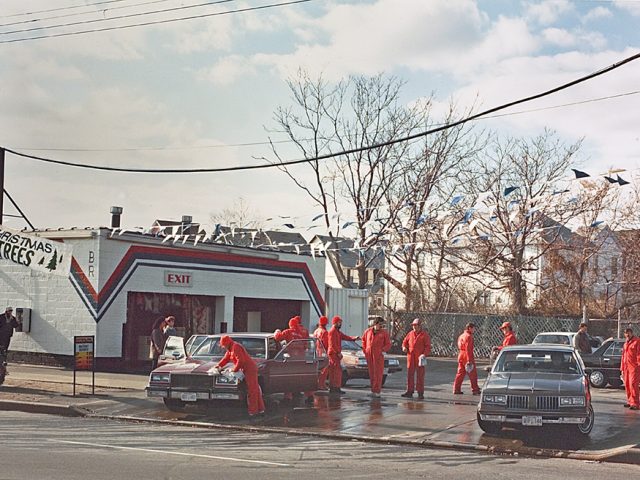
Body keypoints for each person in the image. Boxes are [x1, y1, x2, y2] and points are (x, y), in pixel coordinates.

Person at [215, 335, 265, 417]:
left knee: (252, 390)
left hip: (249, 369)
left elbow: (241, 360)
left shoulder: (235, 347)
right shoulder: (231, 348)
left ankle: (253, 411)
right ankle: (260, 409)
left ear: (227, 343)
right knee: (254, 389)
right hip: (245, 369)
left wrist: (234, 369)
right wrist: (218, 365)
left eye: (223, 345)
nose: (223, 347)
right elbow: (226, 359)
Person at [275, 316, 314, 404]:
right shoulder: (301, 333)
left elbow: (277, 337)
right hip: (301, 359)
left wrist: (277, 331)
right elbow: (306, 345)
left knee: (289, 378)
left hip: (291, 359)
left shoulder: (288, 332)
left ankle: (288, 397)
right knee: (304, 378)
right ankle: (310, 395)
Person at [327, 316, 359, 395]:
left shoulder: (337, 332)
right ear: (335, 323)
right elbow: (332, 344)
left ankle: (336, 387)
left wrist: (354, 338)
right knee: (334, 372)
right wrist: (338, 352)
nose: (340, 324)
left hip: (336, 354)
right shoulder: (332, 332)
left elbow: (345, 337)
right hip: (333, 354)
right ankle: (334, 388)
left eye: (341, 322)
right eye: (339, 322)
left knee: (337, 371)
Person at [401, 318, 432, 400]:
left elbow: (428, 346)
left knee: (420, 375)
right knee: (410, 374)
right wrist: (404, 347)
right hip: (410, 356)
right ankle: (409, 391)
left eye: (415, 325)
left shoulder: (424, 335)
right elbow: (404, 342)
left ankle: (420, 392)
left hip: (420, 357)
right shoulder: (410, 334)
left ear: (419, 326)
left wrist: (424, 354)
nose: (414, 327)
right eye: (413, 325)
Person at [361, 317, 391, 398]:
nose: (381, 326)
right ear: (375, 323)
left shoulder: (384, 333)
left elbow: (388, 344)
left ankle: (377, 391)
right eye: (380, 324)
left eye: (382, 325)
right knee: (371, 373)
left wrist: (382, 350)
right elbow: (363, 340)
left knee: (378, 373)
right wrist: (365, 350)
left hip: (378, 355)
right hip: (369, 354)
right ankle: (373, 390)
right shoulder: (368, 331)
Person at [453, 322, 481, 395]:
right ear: (470, 328)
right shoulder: (469, 336)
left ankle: (456, 389)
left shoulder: (461, 336)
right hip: (466, 355)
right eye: (473, 328)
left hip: (461, 354)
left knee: (460, 373)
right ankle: (475, 389)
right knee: (473, 373)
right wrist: (469, 360)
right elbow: (468, 349)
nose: (474, 330)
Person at [621, 328, 640, 410]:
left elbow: (639, 354)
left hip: (634, 367)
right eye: (625, 333)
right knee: (627, 384)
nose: (627, 335)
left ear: (631, 333)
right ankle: (630, 401)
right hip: (626, 367)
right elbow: (623, 356)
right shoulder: (625, 343)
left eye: (628, 333)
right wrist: (621, 368)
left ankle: (635, 403)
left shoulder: (637, 341)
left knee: (633, 384)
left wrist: (638, 364)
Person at [313, 316, 330, 391]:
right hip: (323, 352)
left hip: (316, 352)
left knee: (318, 370)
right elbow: (326, 344)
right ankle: (321, 385)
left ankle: (318, 384)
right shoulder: (324, 332)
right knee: (324, 369)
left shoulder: (316, 331)